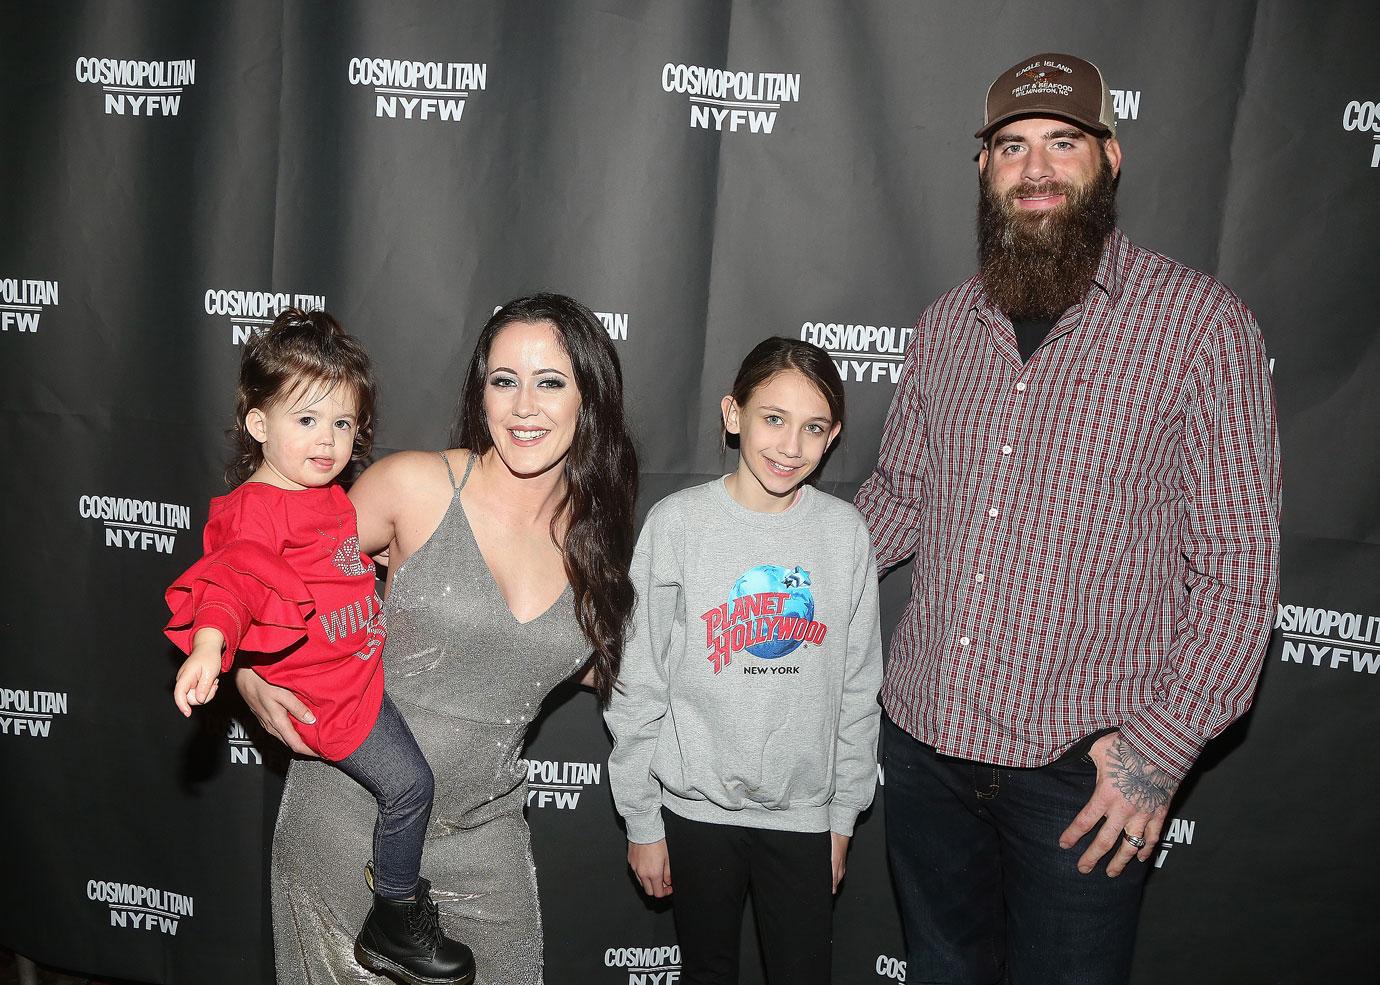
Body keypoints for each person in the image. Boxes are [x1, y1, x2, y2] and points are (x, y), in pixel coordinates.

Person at [854, 52, 1280, 984]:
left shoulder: (1203, 329)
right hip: (924, 749)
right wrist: (775, 563)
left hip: (1082, 778)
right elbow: (899, 498)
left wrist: (1157, 755)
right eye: (1012, 146)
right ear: (984, 169)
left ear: (1110, 157)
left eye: (1062, 141)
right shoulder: (944, 328)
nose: (1035, 167)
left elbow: (1240, 574)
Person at [236, 294, 639, 985]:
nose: (523, 405)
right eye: (503, 380)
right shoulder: (415, 486)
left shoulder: (596, 546)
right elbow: (253, 558)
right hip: (346, 821)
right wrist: (246, 665)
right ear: (479, 392)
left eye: (550, 382)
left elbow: (631, 676)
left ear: (589, 398)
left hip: (486, 842)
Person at [163, 309, 474, 985]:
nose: (329, 439)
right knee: (410, 785)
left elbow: (338, 560)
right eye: (306, 420)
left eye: (343, 422)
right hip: (332, 703)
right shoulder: (254, 511)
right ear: (258, 425)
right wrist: (211, 647)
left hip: (362, 675)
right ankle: (393, 913)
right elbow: (231, 581)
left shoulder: (325, 493)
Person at [605, 337, 884, 985]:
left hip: (804, 816)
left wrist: (841, 819)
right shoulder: (678, 523)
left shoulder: (844, 533)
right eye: (773, 418)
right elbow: (638, 678)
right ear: (734, 414)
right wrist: (642, 816)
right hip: (695, 812)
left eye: (813, 427)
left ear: (834, 435)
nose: (790, 445)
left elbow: (857, 688)